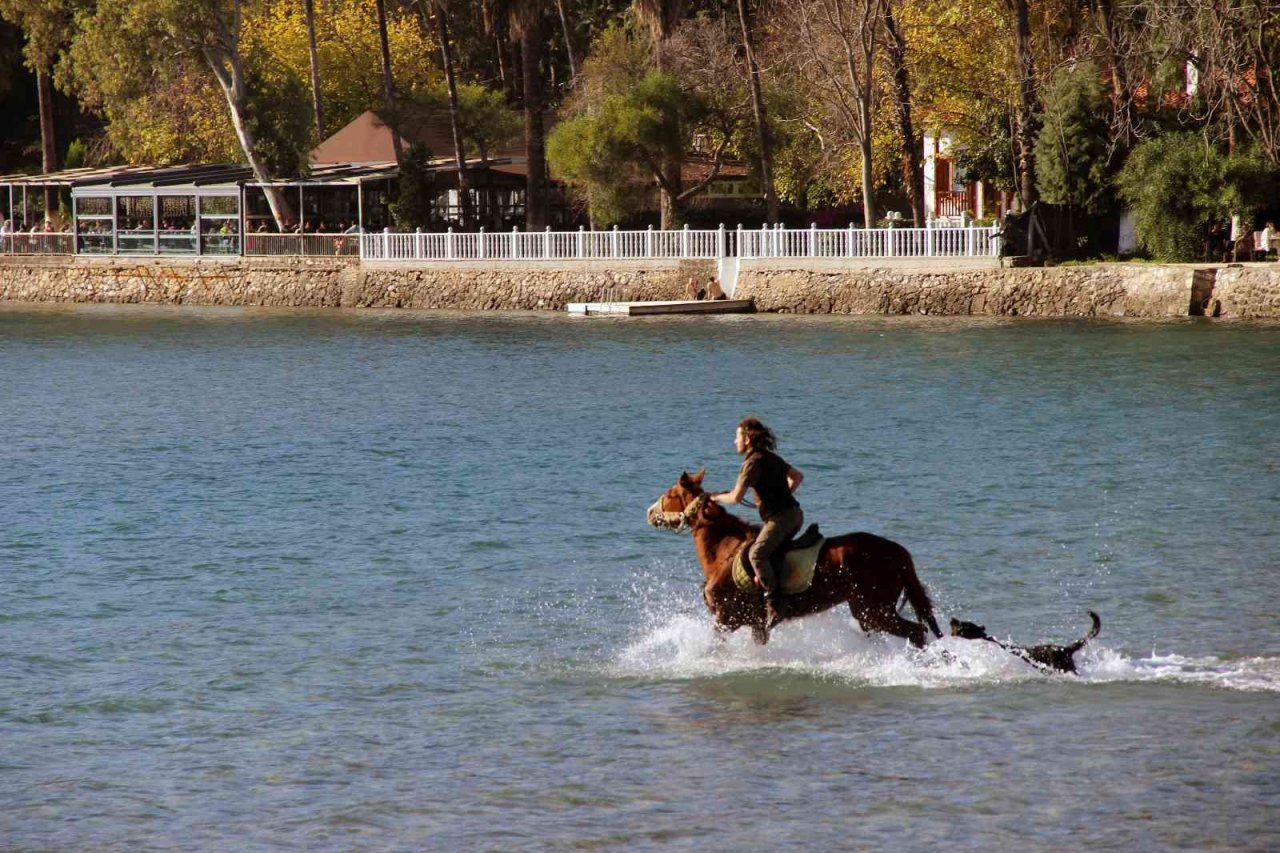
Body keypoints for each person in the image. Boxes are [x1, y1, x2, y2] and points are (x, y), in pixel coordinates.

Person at [710, 417, 804, 627]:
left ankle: (775, 602)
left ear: (748, 439)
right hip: (796, 515)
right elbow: (798, 476)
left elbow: (735, 498)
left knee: (757, 554)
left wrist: (716, 497)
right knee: (770, 550)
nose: (735, 441)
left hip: (780, 519)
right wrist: (783, 496)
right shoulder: (771, 457)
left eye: (737, 437)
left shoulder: (752, 463)